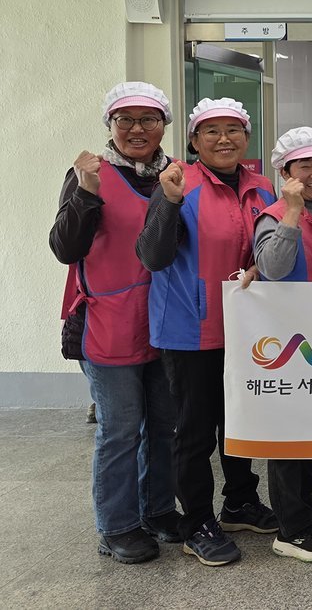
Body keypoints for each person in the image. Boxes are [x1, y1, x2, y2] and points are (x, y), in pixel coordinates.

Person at [136, 97, 278, 566]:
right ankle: (196, 521)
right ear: (194, 141)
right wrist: (169, 201)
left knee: (240, 421)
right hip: (189, 328)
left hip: (246, 328)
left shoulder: (262, 188)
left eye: (233, 130)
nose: (224, 139)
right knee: (195, 431)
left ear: (247, 138)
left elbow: (266, 248)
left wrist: (260, 266)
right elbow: (153, 256)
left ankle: (239, 502)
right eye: (211, 131)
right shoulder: (179, 182)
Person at [50, 81, 181, 564]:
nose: (137, 129)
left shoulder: (176, 174)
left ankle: (158, 511)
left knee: (163, 425)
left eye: (149, 119)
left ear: (164, 126)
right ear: (111, 124)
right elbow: (65, 248)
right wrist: (86, 193)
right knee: (121, 429)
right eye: (125, 120)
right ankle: (117, 525)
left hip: (166, 320)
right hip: (108, 321)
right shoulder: (90, 174)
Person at [252, 127, 312, 562]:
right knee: (288, 436)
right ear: (285, 172)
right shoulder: (275, 215)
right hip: (288, 345)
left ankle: (305, 509)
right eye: (304, 165)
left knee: (307, 432)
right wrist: (291, 211)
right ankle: (290, 529)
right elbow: (271, 268)